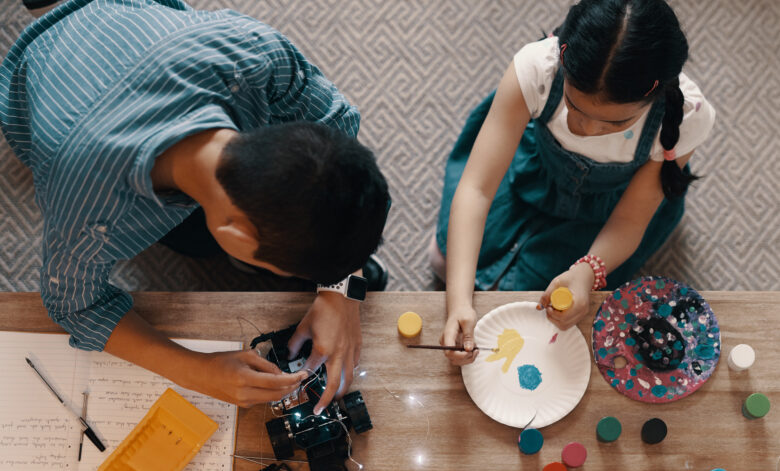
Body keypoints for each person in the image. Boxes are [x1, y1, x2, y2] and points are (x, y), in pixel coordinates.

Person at [0, 0, 391, 410]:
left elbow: (337, 125)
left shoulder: (252, 51)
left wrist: (342, 289)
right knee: (193, 242)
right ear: (233, 234)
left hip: (127, 22)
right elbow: (72, 304)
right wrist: (197, 371)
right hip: (40, 78)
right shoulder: (87, 208)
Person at [432, 0, 715, 365]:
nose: (586, 129)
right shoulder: (537, 68)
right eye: (575, 107)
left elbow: (631, 219)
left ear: (654, 96)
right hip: (533, 173)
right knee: (443, 262)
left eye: (614, 124)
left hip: (608, 209)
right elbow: (477, 188)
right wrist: (456, 304)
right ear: (563, 61)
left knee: (541, 306)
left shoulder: (686, 117)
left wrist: (587, 272)